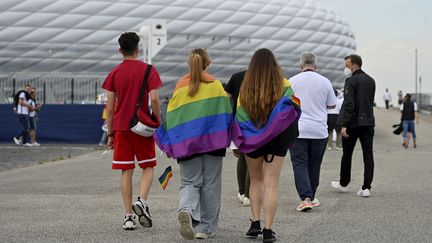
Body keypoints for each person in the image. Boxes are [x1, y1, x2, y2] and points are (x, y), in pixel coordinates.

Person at [155, 48, 232, 240]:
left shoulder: (181, 86)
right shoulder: (215, 85)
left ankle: (187, 209)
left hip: (187, 144)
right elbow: (225, 114)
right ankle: (205, 229)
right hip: (213, 143)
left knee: (190, 182)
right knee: (211, 184)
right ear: (207, 62)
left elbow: (173, 116)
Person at [231, 49, 300, 243]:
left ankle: (255, 224)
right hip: (277, 139)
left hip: (253, 140)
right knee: (272, 183)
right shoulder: (284, 84)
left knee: (256, 180)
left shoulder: (246, 86)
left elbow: (239, 115)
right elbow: (292, 110)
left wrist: (240, 140)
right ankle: (268, 230)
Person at [102, 32, 162, 230]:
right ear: (138, 49)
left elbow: (110, 108)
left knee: (125, 171)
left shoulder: (114, 73)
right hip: (141, 126)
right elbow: (154, 99)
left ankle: (128, 217)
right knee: (148, 166)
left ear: (120, 50)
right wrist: (157, 119)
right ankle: (142, 201)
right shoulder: (149, 70)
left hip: (121, 127)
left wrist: (110, 134)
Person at [289, 52, 337, 212]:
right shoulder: (325, 82)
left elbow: (286, 105)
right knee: (314, 165)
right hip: (319, 131)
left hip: (298, 129)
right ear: (316, 66)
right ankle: (311, 196)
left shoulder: (292, 81)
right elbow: (331, 106)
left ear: (300, 65)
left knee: (300, 164)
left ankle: (305, 198)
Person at [331, 54, 376, 197]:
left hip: (353, 124)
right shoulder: (371, 81)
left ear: (355, 65)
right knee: (368, 155)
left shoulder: (350, 81)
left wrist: (344, 124)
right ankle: (366, 187)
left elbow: (349, 104)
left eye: (347, 65)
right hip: (368, 123)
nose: (346, 68)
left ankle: (344, 184)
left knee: (347, 155)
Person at [225, 70, 251, 207]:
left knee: (242, 158)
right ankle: (248, 195)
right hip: (255, 123)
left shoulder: (236, 76)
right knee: (253, 158)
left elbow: (225, 98)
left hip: (237, 122)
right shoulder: (261, 75)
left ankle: (242, 192)